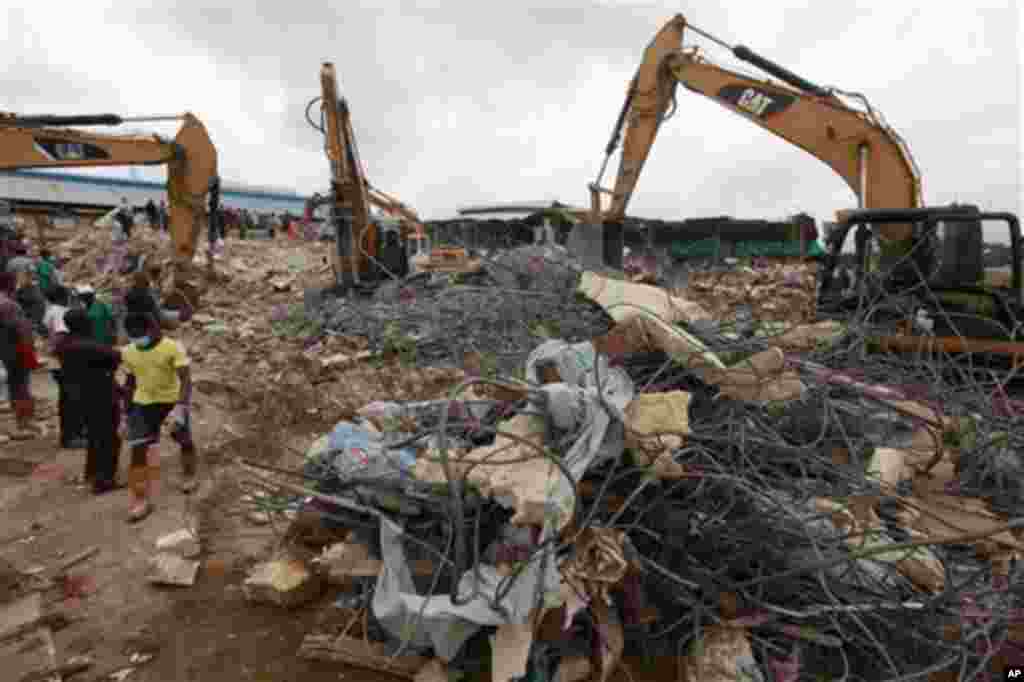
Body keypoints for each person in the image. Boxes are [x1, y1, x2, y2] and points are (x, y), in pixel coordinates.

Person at [121, 312, 196, 522]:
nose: (137, 338)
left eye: (140, 333)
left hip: (171, 401)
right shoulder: (128, 352)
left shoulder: (172, 347)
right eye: (132, 334)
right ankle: (140, 500)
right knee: (137, 450)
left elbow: (186, 379)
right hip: (143, 403)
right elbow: (130, 382)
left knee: (184, 440)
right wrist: (125, 414)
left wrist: (180, 408)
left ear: (153, 329)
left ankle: (189, 475)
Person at [56, 309, 124, 494]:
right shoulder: (88, 345)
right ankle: (105, 479)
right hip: (101, 394)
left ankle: (92, 472)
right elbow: (116, 357)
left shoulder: (64, 344)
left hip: (79, 396)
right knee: (109, 437)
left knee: (95, 434)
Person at [0, 271, 40, 439]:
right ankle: (23, 423)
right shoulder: (9, 304)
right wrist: (30, 350)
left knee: (14, 385)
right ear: (9, 284)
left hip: (5, 350)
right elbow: (22, 329)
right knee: (20, 386)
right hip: (16, 350)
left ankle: (22, 421)